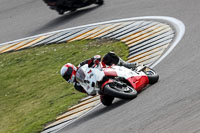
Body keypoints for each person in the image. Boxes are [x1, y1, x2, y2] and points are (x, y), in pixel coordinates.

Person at [60, 52, 138, 105]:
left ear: (71, 69)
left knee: (109, 56)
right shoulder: (77, 86)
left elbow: (93, 59)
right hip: (98, 87)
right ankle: (118, 88)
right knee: (106, 102)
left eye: (67, 75)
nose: (68, 77)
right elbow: (90, 92)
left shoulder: (81, 65)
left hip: (101, 71)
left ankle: (126, 65)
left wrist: (95, 59)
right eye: (66, 77)